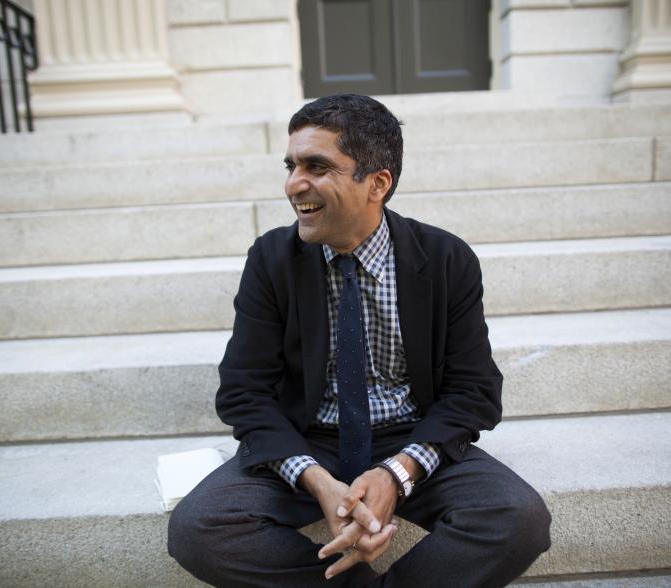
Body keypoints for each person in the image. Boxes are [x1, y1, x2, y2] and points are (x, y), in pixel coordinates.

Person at [168, 94, 551, 587]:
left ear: (377, 183)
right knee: (199, 529)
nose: (293, 184)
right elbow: (244, 392)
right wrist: (316, 481)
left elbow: (473, 391)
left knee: (516, 518)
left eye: (317, 166)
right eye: (291, 165)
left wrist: (399, 472)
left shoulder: (445, 258)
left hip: (410, 437)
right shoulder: (271, 259)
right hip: (308, 441)